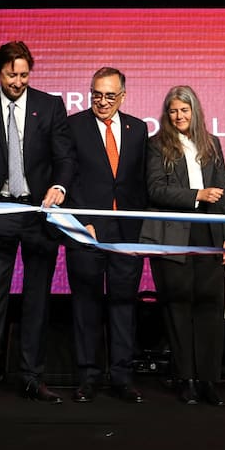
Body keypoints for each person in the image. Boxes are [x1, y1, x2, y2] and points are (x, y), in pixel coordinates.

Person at [0, 40, 74, 415]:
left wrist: (59, 188)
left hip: (39, 213)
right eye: (12, 74)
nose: (19, 81)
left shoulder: (51, 105)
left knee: (37, 300)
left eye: (25, 74)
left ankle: (31, 377)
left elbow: (64, 157)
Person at [139, 85, 225, 406]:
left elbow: (223, 192)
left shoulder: (211, 144)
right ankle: (186, 379)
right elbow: (155, 189)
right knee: (178, 307)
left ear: (195, 111)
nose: (179, 116)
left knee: (209, 307)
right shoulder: (156, 145)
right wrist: (197, 194)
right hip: (172, 236)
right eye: (173, 110)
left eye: (184, 110)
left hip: (209, 234)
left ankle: (208, 380)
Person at [64, 67, 148, 404]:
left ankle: (122, 377)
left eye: (110, 95)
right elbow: (64, 177)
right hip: (86, 231)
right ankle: (88, 377)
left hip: (126, 232)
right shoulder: (72, 126)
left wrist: (141, 229)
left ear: (123, 96)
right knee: (86, 305)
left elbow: (141, 183)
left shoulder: (138, 129)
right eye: (96, 94)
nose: (102, 101)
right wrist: (82, 220)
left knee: (124, 305)